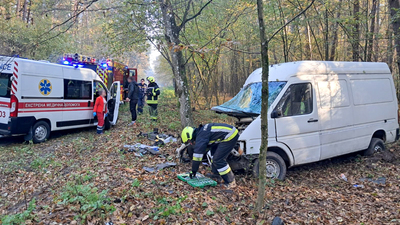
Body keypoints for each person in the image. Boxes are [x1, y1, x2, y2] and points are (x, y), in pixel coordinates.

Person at [181, 123, 239, 188]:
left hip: (229, 135)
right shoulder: (201, 132)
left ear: (190, 136)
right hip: (224, 136)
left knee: (218, 160)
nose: (191, 143)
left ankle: (231, 182)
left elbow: (197, 157)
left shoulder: (201, 137)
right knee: (213, 156)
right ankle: (217, 175)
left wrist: (193, 171)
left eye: (190, 142)